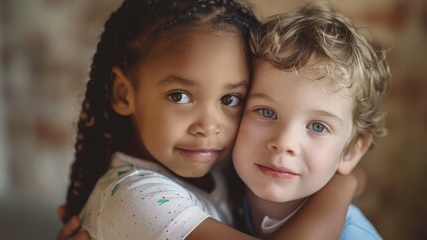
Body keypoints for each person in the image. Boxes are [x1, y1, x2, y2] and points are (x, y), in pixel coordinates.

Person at [57, 0, 364, 239]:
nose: (208, 126)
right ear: (124, 94)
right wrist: (341, 185)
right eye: (179, 96)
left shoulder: (218, 170)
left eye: (230, 100)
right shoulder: (134, 198)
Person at [232, 2, 390, 239]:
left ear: (351, 153)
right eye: (266, 112)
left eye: (318, 126)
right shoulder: (219, 198)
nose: (284, 142)